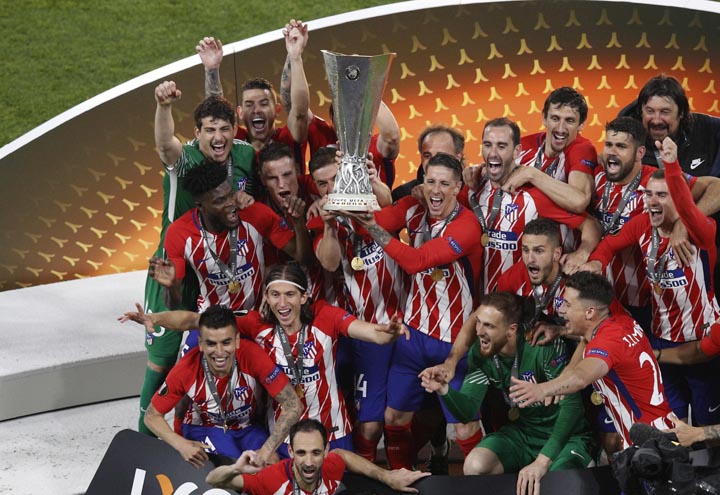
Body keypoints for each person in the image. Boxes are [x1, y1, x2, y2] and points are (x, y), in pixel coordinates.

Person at [134, 262, 409, 455]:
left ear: (304, 297)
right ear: (266, 296)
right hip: (285, 437)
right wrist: (155, 318)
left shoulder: (326, 317)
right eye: (275, 295)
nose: (282, 303)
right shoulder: (255, 324)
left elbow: (370, 333)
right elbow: (196, 321)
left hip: (334, 430)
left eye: (290, 295)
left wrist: (389, 333)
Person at [339, 152, 485, 470]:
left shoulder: (467, 226)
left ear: (458, 186)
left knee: (464, 426)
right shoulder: (413, 209)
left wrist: (374, 229)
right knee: (394, 418)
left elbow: (416, 261)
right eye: (429, 181)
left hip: (456, 341)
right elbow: (370, 226)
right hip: (413, 337)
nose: (436, 190)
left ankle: (482, 487)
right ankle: (400, 480)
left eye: (445, 184)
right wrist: (342, 187)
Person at [137, 83, 255, 435]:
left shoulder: (246, 154)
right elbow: (164, 143)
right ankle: (144, 437)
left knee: (214, 354)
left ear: (234, 130)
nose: (218, 138)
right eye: (209, 130)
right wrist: (163, 106)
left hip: (220, 272)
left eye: (224, 129)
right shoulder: (184, 158)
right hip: (173, 270)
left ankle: (203, 430)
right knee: (162, 361)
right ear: (197, 133)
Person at [582, 137, 720, 425]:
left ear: (679, 199)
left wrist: (671, 164)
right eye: (648, 194)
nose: (652, 202)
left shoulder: (701, 231)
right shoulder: (643, 224)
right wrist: (596, 261)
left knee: (707, 430)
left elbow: (688, 206)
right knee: (670, 422)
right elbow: (609, 245)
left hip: (702, 340)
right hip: (660, 339)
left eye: (662, 195)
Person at [420, 292, 594, 495]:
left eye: (489, 326)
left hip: (569, 436)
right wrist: (444, 390)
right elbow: (467, 412)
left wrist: (541, 461)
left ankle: (586, 460)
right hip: (524, 434)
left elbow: (572, 408)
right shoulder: (481, 353)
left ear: (511, 330)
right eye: (478, 323)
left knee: (555, 483)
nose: (479, 332)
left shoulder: (541, 346)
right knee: (475, 465)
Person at [308, 148, 407, 462]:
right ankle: (366, 474)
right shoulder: (320, 220)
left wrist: (373, 179)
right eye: (321, 184)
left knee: (399, 412)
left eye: (334, 179)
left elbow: (390, 205)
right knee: (369, 420)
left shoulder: (374, 201)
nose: (329, 189)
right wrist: (326, 225)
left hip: (399, 318)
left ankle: (399, 467)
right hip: (360, 329)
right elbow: (330, 262)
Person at [508, 271, 675, 449]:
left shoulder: (608, 343)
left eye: (568, 304)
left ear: (589, 312)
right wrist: (568, 370)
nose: (561, 310)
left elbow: (581, 377)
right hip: (657, 427)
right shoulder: (620, 320)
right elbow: (587, 339)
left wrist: (542, 389)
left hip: (651, 443)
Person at [123, 305, 302, 467]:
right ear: (200, 343)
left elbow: (293, 405)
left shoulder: (252, 355)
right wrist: (181, 444)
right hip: (204, 428)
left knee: (272, 463)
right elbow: (152, 416)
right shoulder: (187, 368)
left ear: (237, 340)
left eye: (226, 342)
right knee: (230, 465)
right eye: (211, 344)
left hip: (247, 428)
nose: (219, 352)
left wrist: (267, 450)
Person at [149, 161, 309, 314]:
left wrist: (298, 223)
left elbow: (303, 258)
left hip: (258, 317)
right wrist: (171, 287)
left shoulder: (256, 214)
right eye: (220, 201)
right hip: (211, 321)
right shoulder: (179, 233)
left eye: (231, 195)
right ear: (200, 206)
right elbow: (173, 304)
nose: (231, 204)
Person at [463, 117, 601, 293]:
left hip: (519, 303)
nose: (493, 153)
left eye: (502, 146)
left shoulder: (534, 194)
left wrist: (582, 253)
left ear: (517, 151)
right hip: (479, 301)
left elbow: (591, 225)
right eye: (488, 145)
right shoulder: (473, 187)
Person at [205, 419, 429, 493]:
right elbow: (212, 480)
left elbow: (343, 455)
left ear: (326, 451)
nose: (309, 462)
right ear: (290, 452)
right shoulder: (271, 479)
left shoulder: (331, 466)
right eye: (301, 453)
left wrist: (387, 477)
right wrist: (236, 469)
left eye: (316, 453)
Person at [198, 20, 311, 163]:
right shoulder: (233, 140)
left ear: (277, 109)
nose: (256, 110)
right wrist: (211, 69)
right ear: (239, 112)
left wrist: (295, 56)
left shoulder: (289, 137)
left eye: (264, 103)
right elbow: (215, 113)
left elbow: (300, 113)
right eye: (249, 104)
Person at [392, 125, 465, 201]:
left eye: (441, 155)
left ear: (458, 157)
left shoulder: (473, 191)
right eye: (427, 155)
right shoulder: (402, 194)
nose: (433, 161)